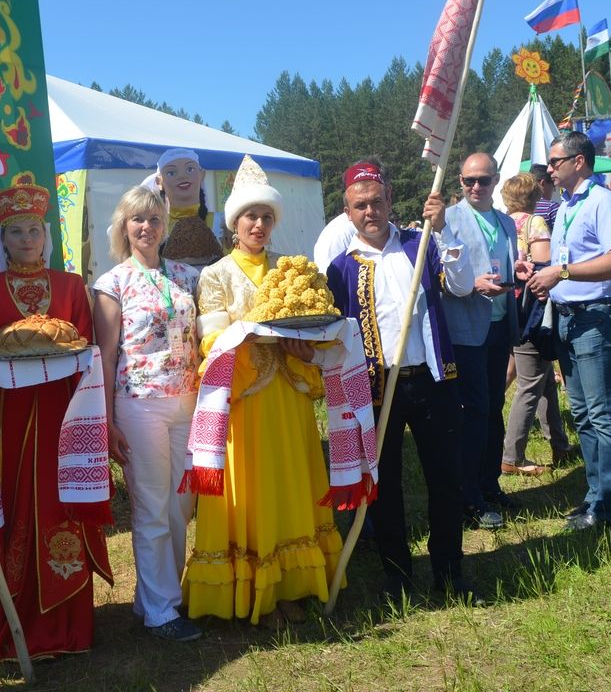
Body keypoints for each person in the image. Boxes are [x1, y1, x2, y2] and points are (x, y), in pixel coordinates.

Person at [184, 155, 343, 625]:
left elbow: (318, 321)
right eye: (250, 216)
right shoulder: (215, 274)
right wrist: (252, 332)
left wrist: (304, 339)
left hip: (288, 394)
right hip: (245, 397)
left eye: (266, 217)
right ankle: (254, 585)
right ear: (235, 223)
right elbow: (212, 341)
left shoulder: (291, 267)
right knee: (252, 490)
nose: (258, 224)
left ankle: (290, 583)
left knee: (290, 482)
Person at [0, 179, 112, 659]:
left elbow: (86, 348)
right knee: (8, 504)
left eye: (35, 230)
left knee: (59, 501)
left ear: (45, 235)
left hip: (62, 416)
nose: (28, 239)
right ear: (1, 239)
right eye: (17, 231)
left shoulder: (71, 287)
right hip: (6, 418)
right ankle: (8, 622)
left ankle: (66, 625)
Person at [326, 161, 480, 603]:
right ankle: (397, 575)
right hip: (378, 389)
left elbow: (464, 285)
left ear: (390, 199)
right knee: (385, 484)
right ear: (347, 210)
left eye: (376, 202)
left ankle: (449, 569)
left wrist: (444, 230)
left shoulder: (422, 243)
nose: (370, 211)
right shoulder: (341, 268)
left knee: (446, 478)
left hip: (433, 382)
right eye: (360, 206)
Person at [92, 187, 202, 643]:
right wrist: (106, 419)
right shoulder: (111, 283)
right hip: (139, 405)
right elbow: (105, 353)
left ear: (165, 226)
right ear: (124, 227)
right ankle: (162, 609)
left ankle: (152, 595)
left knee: (182, 506)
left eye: (155, 219)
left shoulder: (187, 275)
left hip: (188, 402)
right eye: (137, 219)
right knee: (152, 506)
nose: (147, 227)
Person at [526, 131, 611, 531]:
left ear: (579, 162)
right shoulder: (566, 203)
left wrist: (563, 271)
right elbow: (567, 260)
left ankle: (609, 507)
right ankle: (595, 497)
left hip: (593, 316)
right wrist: (539, 272)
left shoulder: (602, 201)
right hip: (568, 315)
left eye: (555, 162)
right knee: (584, 414)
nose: (549, 169)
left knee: (602, 413)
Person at [438, 152, 519, 529]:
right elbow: (439, 274)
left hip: (500, 325)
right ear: (459, 181)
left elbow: (503, 263)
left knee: (494, 407)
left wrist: (518, 269)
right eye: (468, 180)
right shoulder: (446, 220)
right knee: (475, 413)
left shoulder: (506, 223)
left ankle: (489, 484)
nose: (475, 187)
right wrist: (472, 284)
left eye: (483, 180)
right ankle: (468, 497)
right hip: (467, 329)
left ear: (496, 181)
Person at [499, 173, 572, 474]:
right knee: (530, 384)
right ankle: (511, 456)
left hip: (508, 309)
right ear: (534, 196)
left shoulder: (501, 225)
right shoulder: (535, 223)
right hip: (532, 311)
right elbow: (542, 268)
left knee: (543, 382)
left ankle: (559, 444)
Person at [530, 163, 559, 229]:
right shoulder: (552, 207)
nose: (554, 190)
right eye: (553, 185)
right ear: (542, 183)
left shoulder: (516, 206)